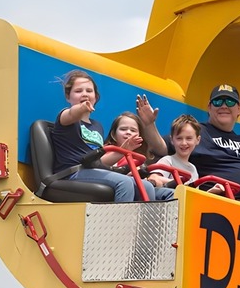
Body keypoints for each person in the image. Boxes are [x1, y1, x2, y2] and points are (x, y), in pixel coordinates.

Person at [50, 69, 168, 202]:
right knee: (125, 183)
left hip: (91, 170)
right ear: (68, 96)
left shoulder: (97, 126)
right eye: (78, 91)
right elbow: (71, 114)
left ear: (96, 97)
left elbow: (98, 162)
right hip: (72, 173)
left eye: (89, 91)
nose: (85, 94)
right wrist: (82, 108)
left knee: (146, 186)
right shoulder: (65, 117)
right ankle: (120, 222)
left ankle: (144, 222)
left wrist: (124, 150)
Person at [104, 107, 174, 200]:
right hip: (121, 184)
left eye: (133, 130)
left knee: (172, 194)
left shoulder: (139, 158)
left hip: (140, 184)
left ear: (140, 136)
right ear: (114, 134)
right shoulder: (109, 150)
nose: (128, 132)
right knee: (146, 187)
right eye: (123, 129)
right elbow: (105, 168)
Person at [147, 115, 224, 194]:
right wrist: (180, 184)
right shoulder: (168, 161)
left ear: (198, 140)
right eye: (179, 138)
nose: (184, 143)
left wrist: (211, 192)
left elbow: (193, 195)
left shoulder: (193, 169)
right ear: (172, 140)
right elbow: (154, 178)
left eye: (189, 138)